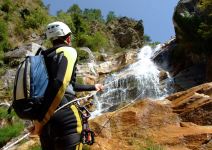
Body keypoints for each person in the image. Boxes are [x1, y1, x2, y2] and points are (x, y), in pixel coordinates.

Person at [30, 21, 103, 150]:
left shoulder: (43, 57)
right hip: (65, 114)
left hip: (46, 123)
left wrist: (93, 87)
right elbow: (60, 83)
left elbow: (70, 85)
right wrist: (41, 120)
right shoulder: (68, 51)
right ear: (68, 38)